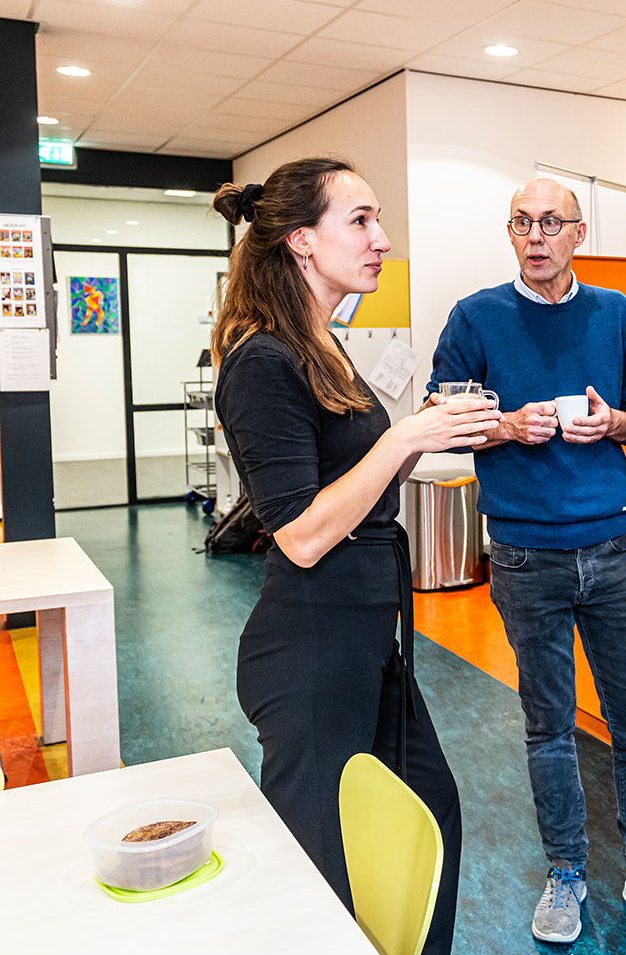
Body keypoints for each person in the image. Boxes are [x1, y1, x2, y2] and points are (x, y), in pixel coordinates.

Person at [212, 158, 495, 955]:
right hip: (308, 646)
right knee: (317, 871)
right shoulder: (262, 361)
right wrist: (404, 435)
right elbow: (299, 533)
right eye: (362, 221)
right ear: (302, 241)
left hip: (364, 636)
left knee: (431, 811)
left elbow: (357, 487)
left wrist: (436, 428)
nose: (383, 240)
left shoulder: (322, 349)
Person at [426, 177, 626, 944]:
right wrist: (504, 427)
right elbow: (441, 423)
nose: (536, 235)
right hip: (523, 555)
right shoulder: (475, 317)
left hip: (610, 548)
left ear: (579, 232)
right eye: (523, 222)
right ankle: (566, 874)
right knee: (548, 725)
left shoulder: (615, 313)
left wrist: (616, 420)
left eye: (552, 222)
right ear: (510, 233)